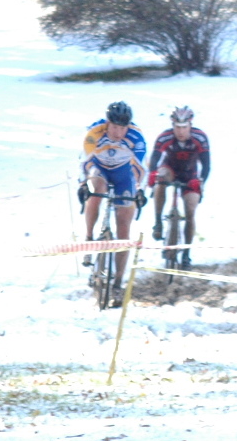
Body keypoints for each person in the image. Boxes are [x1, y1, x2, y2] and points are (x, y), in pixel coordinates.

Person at [78, 100, 147, 306]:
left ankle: (117, 281)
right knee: (96, 190)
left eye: (123, 127)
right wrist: (83, 184)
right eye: (115, 127)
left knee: (124, 226)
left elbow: (140, 169)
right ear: (108, 123)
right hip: (99, 169)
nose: (119, 132)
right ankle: (89, 237)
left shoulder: (136, 138)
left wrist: (139, 192)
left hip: (123, 174)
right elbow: (84, 162)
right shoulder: (94, 133)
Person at [146, 106, 211, 270]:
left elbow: (206, 165)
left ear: (190, 125)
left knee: (190, 210)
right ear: (172, 125)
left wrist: (201, 181)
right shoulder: (165, 137)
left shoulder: (200, 137)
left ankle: (187, 253)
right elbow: (155, 159)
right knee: (160, 177)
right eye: (177, 127)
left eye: (184, 127)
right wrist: (153, 174)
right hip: (170, 170)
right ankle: (158, 222)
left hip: (190, 174)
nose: (180, 131)